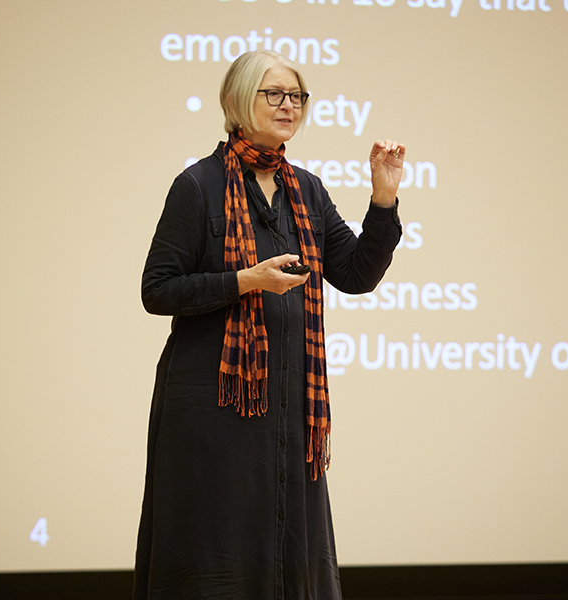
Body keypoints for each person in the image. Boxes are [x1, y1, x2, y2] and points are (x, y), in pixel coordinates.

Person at [134, 49, 405, 600]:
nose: (289, 106)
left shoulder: (306, 190)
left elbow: (355, 274)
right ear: (239, 100)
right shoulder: (198, 186)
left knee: (287, 563)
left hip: (287, 412)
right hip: (211, 411)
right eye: (275, 94)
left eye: (297, 96)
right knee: (215, 563)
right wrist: (244, 280)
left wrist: (382, 199)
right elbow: (156, 290)